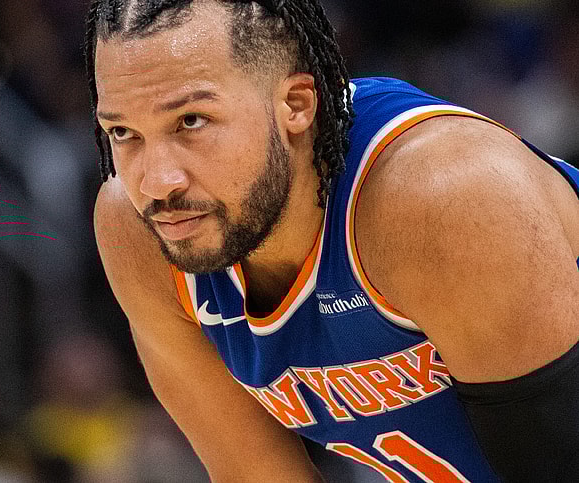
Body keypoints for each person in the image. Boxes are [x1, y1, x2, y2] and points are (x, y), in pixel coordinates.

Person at [86, 1, 579, 481]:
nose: (156, 182)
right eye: (124, 131)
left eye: (190, 121)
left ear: (295, 106)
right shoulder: (140, 229)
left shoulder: (442, 199)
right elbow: (253, 472)